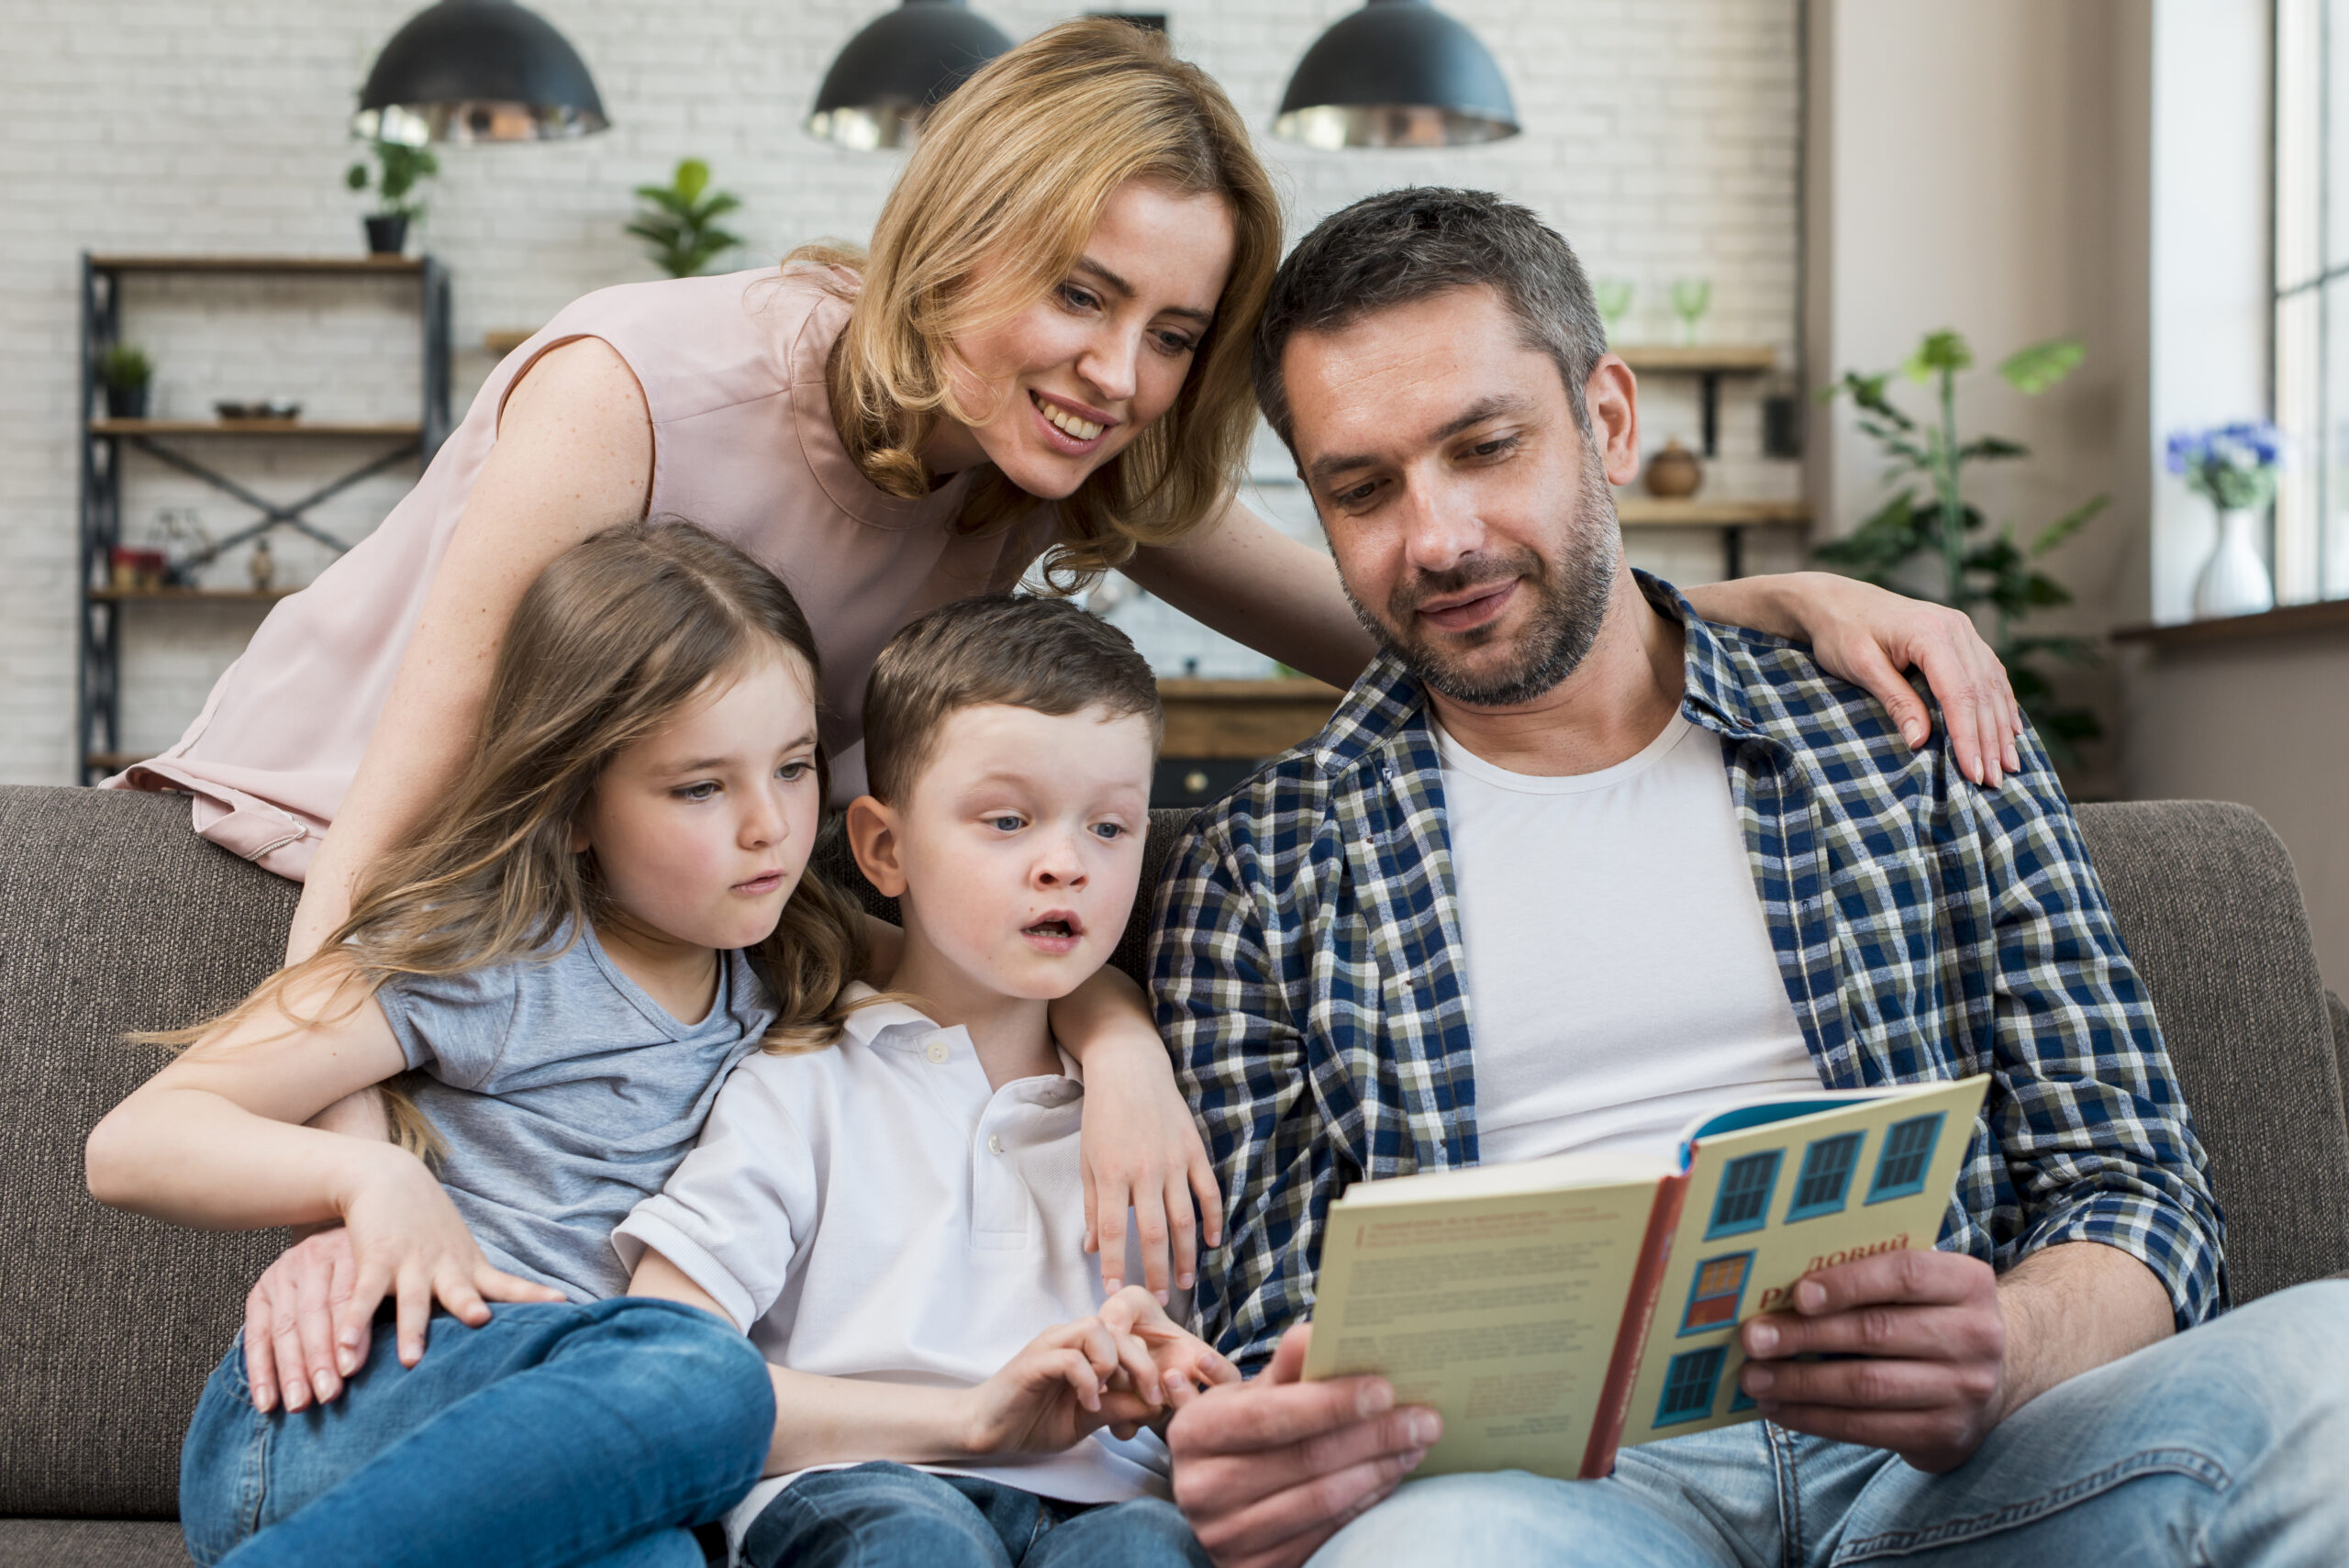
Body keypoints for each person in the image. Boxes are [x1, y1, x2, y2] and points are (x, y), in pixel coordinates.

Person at [113, 18, 2024, 1391]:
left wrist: (1746, 605)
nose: (1119, 371)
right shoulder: (634, 379)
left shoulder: (1047, 469)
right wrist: (351, 1176)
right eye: (1079, 294)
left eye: (1176, 331)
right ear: (956, 245)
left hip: (651, 934)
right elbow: (404, 816)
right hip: (346, 870)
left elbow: (1403, 617)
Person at [1152, 188, 2349, 1568]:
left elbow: (2137, 1185)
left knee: (2327, 1367)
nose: (1437, 538)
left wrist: (2007, 1345)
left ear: (1607, 420)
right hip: (1555, 1504)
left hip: (1959, 1472)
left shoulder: (1908, 726)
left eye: (1486, 447)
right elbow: (1262, 1325)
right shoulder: (1265, 869)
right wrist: (1284, 1441)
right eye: (1362, 489)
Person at [85, 523, 875, 1565]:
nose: (769, 825)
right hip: (336, 1416)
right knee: (707, 1377)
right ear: (576, 803)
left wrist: (1122, 1044)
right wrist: (365, 1179)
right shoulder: (496, 955)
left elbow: (1001, 962)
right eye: (700, 786)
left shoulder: (791, 951)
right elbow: (132, 1143)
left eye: (792, 766)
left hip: (558, 1464)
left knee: (665, 1555)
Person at [616, 595, 1232, 1568]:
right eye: (1005, 819)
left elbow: (1217, 1404)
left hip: (1108, 1502)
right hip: (859, 1483)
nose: (1063, 864)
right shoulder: (802, 1083)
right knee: (914, 1543)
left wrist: (1175, 1380)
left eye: (1110, 827)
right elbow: (665, 1377)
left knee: (1152, 1549)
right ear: (883, 848)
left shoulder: (1158, 1111)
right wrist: (971, 1417)